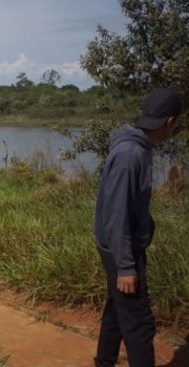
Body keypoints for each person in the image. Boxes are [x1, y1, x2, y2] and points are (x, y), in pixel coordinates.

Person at [93, 87, 182, 367]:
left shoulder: (136, 147)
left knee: (117, 312)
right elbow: (117, 215)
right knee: (140, 325)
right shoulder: (131, 155)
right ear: (170, 121)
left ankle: (104, 362)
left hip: (118, 245)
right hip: (122, 248)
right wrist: (127, 266)